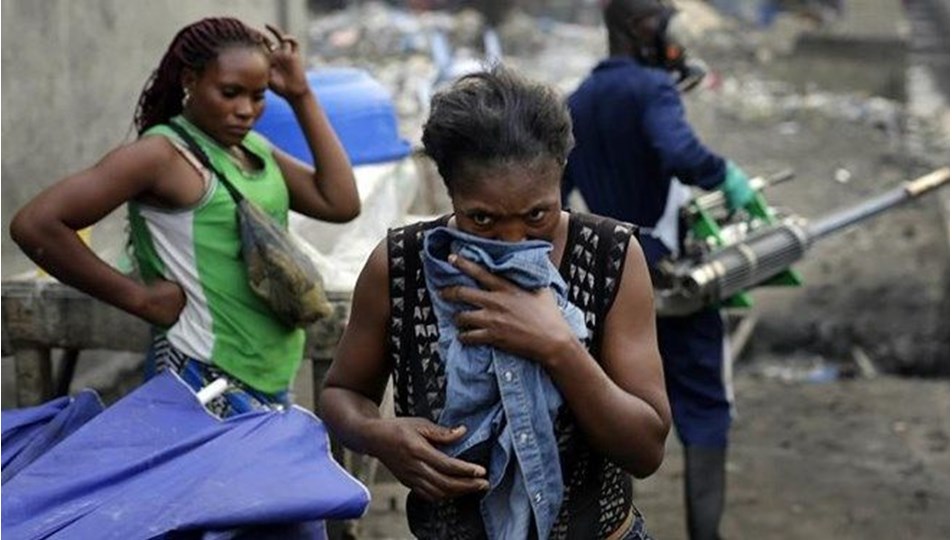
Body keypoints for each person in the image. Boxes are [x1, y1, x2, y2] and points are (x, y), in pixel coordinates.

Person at [319, 65, 671, 539]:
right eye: (481, 218)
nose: (512, 239)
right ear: (447, 189)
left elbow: (646, 450)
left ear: (560, 175)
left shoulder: (610, 257)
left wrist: (559, 349)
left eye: (537, 215)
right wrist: (379, 435)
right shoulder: (400, 264)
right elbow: (342, 393)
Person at [10, 17, 360, 416]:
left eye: (258, 96)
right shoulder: (163, 156)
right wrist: (140, 300)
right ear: (191, 80)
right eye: (230, 93)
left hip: (270, 373)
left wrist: (300, 95)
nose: (246, 110)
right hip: (201, 377)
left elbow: (340, 202)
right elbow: (36, 224)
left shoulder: (253, 148)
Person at [561, 1, 756, 539]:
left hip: (609, 280)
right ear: (641, 26)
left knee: (613, 410)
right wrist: (725, 174)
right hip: (673, 280)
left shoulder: (577, 100)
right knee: (705, 406)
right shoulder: (652, 90)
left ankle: (614, 525)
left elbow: (558, 195)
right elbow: (681, 152)